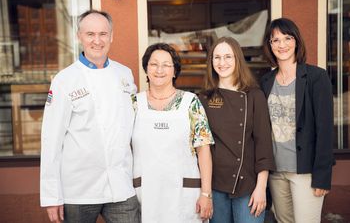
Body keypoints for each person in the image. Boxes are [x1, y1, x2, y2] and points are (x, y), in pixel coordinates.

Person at [40, 10, 140, 223]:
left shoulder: (125, 74)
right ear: (79, 37)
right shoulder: (64, 80)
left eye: (103, 34)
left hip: (121, 184)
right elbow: (51, 140)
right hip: (79, 190)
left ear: (111, 36)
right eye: (90, 34)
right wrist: (51, 196)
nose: (97, 40)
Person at [260, 18, 334, 223]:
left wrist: (323, 176)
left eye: (287, 38)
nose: (282, 45)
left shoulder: (316, 77)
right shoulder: (265, 81)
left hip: (305, 172)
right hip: (276, 172)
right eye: (275, 40)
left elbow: (325, 129)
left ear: (297, 41)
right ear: (269, 45)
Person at [131, 43, 214, 222]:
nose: (159, 70)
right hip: (145, 193)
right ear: (146, 68)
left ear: (175, 71)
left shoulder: (191, 103)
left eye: (166, 65)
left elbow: (204, 151)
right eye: (153, 64)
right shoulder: (133, 104)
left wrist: (206, 194)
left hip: (185, 194)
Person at [199, 36, 275, 223]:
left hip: (248, 186)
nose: (222, 62)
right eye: (216, 57)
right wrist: (205, 192)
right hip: (215, 186)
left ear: (237, 60)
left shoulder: (254, 96)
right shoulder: (204, 98)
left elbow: (263, 144)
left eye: (228, 57)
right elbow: (201, 146)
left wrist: (261, 188)